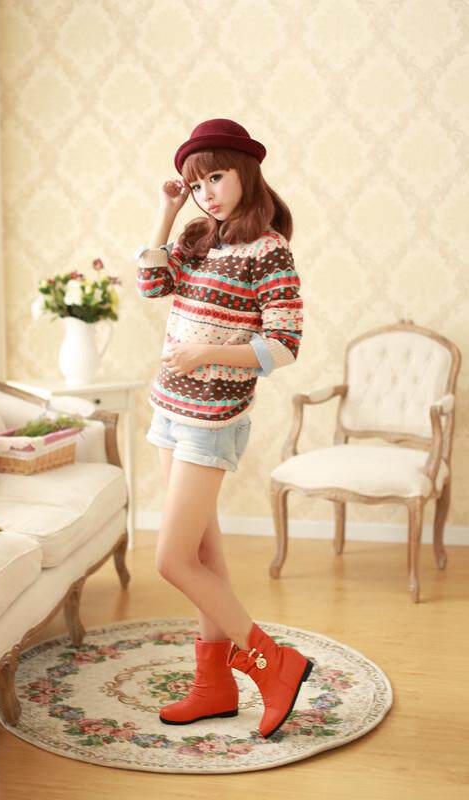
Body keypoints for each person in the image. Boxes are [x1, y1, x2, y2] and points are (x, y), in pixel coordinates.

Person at [134, 118, 313, 739]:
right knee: (204, 555)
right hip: (168, 408)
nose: (205, 192)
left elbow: (284, 345)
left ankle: (274, 664)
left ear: (245, 172)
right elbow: (152, 284)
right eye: (195, 184)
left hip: (211, 420)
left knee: (171, 559)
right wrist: (165, 211)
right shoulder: (195, 236)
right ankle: (213, 686)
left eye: (215, 177)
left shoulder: (269, 250)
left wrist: (207, 354)